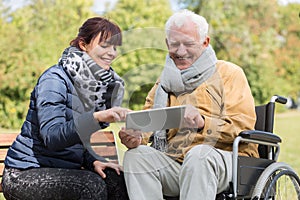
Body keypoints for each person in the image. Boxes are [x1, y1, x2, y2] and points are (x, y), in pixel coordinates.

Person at [119, 9, 258, 200]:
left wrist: (203, 122)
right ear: (167, 44)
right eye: (175, 44)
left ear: (205, 42)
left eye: (189, 44)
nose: (181, 51)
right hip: (178, 163)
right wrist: (136, 137)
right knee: (137, 157)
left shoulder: (229, 73)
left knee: (199, 155)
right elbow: (149, 124)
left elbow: (242, 127)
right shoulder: (164, 83)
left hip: (227, 160)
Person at [1, 17, 130, 200]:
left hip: (64, 170)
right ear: (83, 45)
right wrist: (97, 117)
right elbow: (53, 136)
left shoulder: (93, 87)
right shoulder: (54, 79)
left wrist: (94, 161)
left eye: (115, 47)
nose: (112, 53)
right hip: (24, 173)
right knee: (90, 187)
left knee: (117, 180)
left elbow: (78, 141)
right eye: (105, 46)